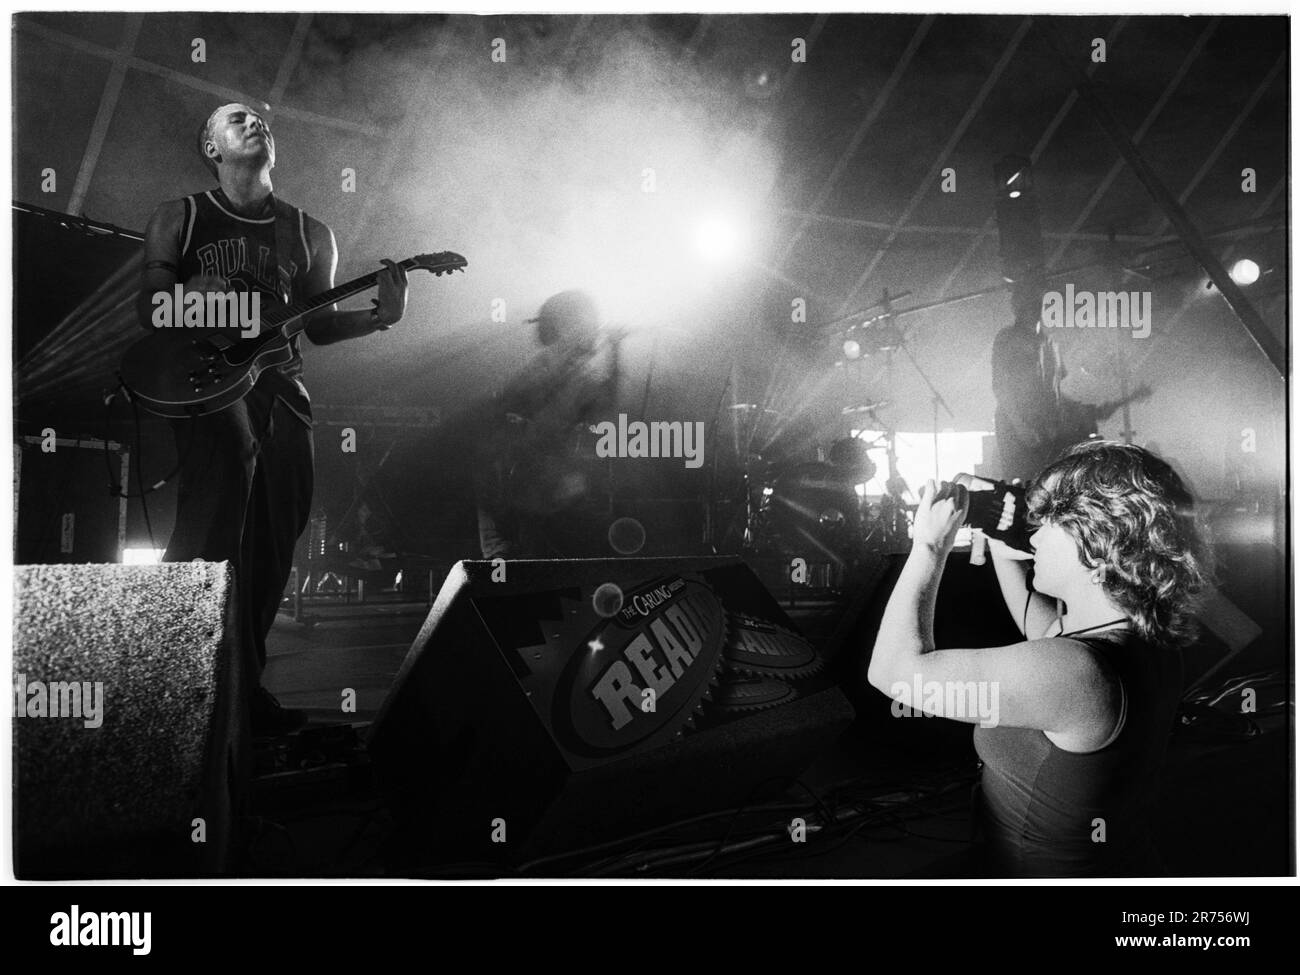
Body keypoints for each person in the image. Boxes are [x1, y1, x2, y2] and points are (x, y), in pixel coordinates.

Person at [135, 103, 409, 734]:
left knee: (275, 539)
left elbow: (315, 327)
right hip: (207, 381)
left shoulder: (313, 232)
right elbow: (152, 311)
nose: (254, 121)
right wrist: (190, 299)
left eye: (260, 118)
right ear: (211, 145)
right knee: (217, 512)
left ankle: (241, 686)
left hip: (282, 387)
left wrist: (379, 317)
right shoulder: (180, 216)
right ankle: (176, 676)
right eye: (235, 119)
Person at [868, 440, 1209, 877]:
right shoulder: (1142, 638)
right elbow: (1040, 625)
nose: (1036, 532)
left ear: (1099, 543)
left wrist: (929, 547)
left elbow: (894, 673)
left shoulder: (1076, 674)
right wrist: (999, 536)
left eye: (1050, 521)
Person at [474, 290, 619, 558]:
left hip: (545, 498)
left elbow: (601, 410)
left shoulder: (578, 373)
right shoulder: (539, 373)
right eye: (589, 320)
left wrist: (615, 354)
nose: (596, 328)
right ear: (566, 326)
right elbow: (506, 433)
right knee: (521, 570)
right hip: (524, 497)